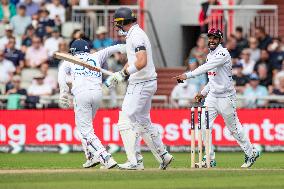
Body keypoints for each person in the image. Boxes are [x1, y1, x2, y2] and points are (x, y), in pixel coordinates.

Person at [174, 28, 260, 168]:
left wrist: (187, 75)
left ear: (220, 39)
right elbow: (212, 79)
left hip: (226, 97)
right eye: (210, 38)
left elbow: (206, 67)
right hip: (212, 97)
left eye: (215, 38)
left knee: (234, 129)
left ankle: (251, 153)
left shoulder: (223, 53)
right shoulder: (210, 55)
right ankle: (209, 158)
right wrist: (203, 92)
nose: (212, 40)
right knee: (202, 126)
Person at [106, 7, 173, 170]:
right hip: (145, 82)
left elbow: (141, 62)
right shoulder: (135, 35)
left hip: (141, 83)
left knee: (126, 119)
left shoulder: (136, 36)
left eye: (118, 23)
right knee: (143, 121)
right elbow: (134, 61)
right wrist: (120, 73)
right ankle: (164, 155)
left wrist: (124, 75)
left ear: (123, 22)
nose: (117, 27)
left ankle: (134, 161)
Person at [58, 39, 125, 169]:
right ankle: (91, 157)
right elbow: (113, 48)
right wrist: (127, 47)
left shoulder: (69, 60)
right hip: (97, 94)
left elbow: (62, 76)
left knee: (85, 131)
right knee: (85, 129)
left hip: (81, 94)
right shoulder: (96, 55)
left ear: (73, 51)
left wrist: (63, 92)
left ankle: (105, 157)